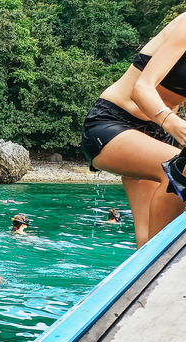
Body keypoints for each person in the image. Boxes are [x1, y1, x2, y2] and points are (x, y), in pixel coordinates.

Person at [80, 13, 186, 248]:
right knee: (178, 171)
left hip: (158, 134)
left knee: (146, 237)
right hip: (113, 123)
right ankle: (160, 261)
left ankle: (148, 274)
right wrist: (172, 121)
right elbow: (142, 89)